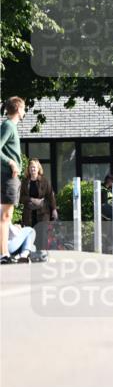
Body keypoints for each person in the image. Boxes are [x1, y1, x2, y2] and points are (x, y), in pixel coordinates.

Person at [1, 96, 26, 265]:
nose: (24, 111)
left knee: (6, 216)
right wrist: (10, 162)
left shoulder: (10, 127)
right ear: (18, 109)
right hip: (8, 176)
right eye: (24, 108)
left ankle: (4, 253)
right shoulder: (8, 126)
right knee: (5, 215)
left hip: (11, 177)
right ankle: (3, 254)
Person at [19, 159, 57, 248]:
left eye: (34, 167)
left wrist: (54, 209)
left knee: (42, 236)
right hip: (29, 214)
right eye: (31, 167)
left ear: (38, 168)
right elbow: (21, 198)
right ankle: (30, 254)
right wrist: (32, 199)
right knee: (30, 236)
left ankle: (42, 254)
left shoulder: (44, 181)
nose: (33, 169)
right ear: (28, 169)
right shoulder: (25, 182)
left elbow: (50, 195)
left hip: (43, 213)